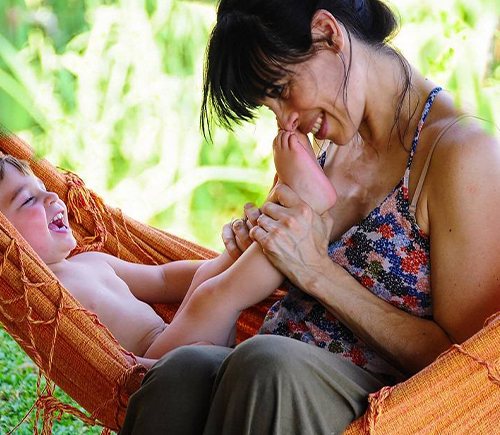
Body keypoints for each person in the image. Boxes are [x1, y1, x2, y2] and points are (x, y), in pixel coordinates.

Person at [119, 0, 500, 434]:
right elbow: (253, 278)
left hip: (384, 407)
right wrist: (260, 245)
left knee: (266, 366)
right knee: (180, 372)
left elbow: (471, 367)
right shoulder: (323, 148)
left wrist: (317, 272)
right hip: (265, 377)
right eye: (271, 107)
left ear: (327, 33)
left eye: (282, 90)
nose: (286, 122)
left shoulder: (461, 154)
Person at [0, 122, 336, 362]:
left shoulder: (89, 262)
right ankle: (303, 205)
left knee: (209, 282)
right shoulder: (44, 299)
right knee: (210, 295)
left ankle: (287, 204)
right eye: (28, 200)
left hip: (181, 341)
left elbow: (161, 279)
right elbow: (95, 358)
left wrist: (229, 257)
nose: (52, 199)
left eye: (46, 189)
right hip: (155, 368)